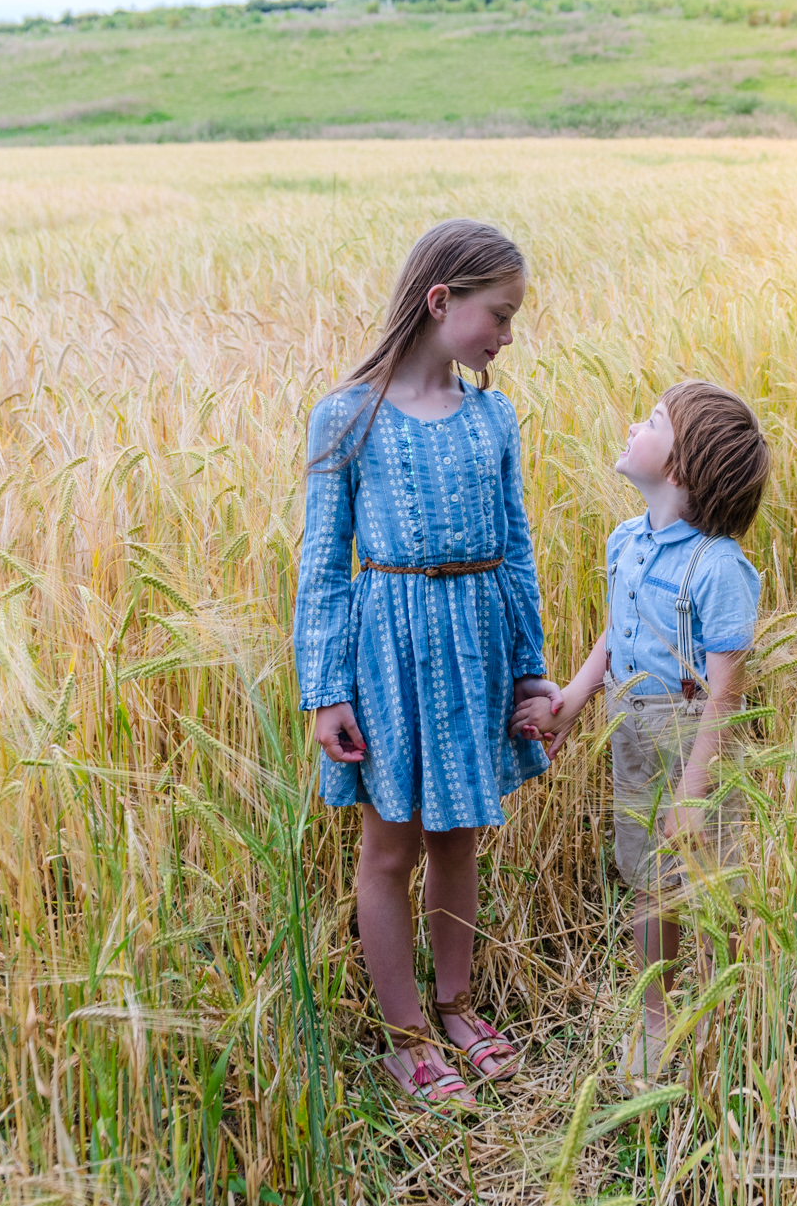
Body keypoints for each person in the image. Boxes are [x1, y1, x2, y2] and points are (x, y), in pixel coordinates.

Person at [293, 219, 559, 1110]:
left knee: (458, 835)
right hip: (389, 651)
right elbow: (324, 565)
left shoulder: (493, 416)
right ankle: (406, 1034)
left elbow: (517, 550)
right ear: (442, 301)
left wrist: (530, 667)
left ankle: (457, 1004)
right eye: (501, 313)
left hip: (476, 644)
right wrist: (326, 688)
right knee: (389, 844)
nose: (508, 336)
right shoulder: (347, 415)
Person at [523, 379, 770, 1081]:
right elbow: (622, 629)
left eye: (654, 419)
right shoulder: (626, 541)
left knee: (709, 882)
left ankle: (733, 1012)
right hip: (630, 733)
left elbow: (727, 690)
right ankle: (657, 1018)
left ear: (683, 466)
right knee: (648, 882)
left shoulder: (719, 568)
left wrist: (694, 791)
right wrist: (573, 697)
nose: (635, 422)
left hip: (693, 740)